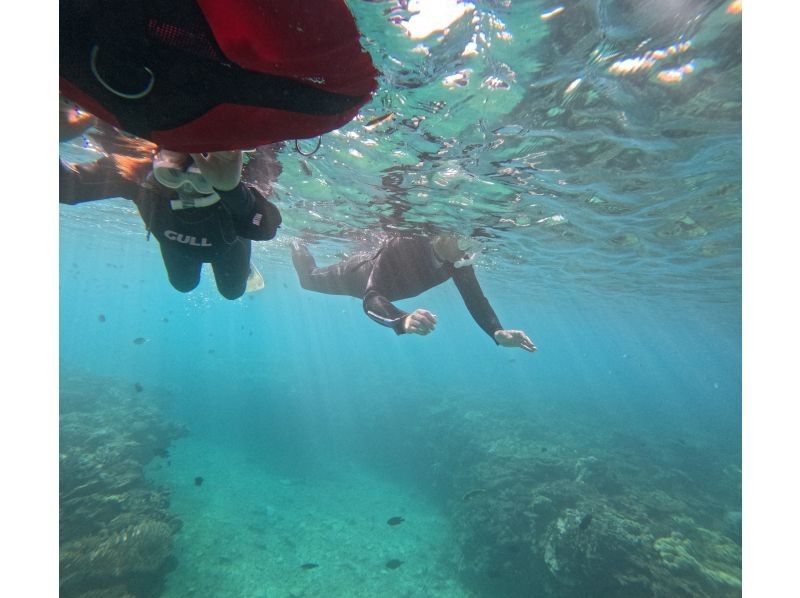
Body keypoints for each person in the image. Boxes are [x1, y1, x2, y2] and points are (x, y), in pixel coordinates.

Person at [60, 130, 282, 300]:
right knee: (183, 285)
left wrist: (232, 191)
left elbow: (266, 229)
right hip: (179, 249)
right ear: (156, 160)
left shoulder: (234, 185)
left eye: (202, 179)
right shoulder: (139, 176)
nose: (186, 188)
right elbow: (67, 186)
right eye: (172, 173)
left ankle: (246, 267)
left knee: (232, 292)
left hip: (229, 247)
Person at [291, 233, 536, 351]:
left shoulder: (458, 260)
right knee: (308, 280)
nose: (468, 250)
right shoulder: (406, 243)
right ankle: (297, 241)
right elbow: (371, 297)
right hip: (356, 276)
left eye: (474, 244)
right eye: (463, 241)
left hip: (382, 286)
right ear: (443, 235)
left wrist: (497, 332)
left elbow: (475, 299)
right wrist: (402, 319)